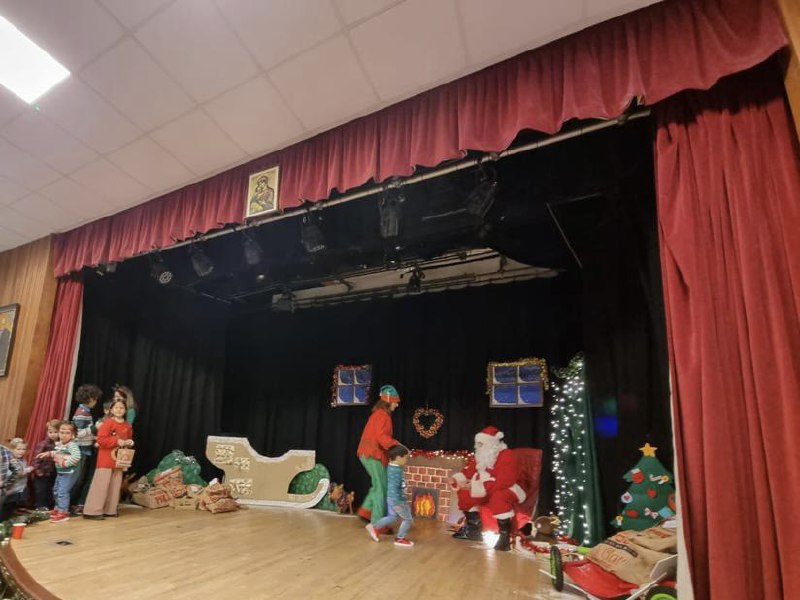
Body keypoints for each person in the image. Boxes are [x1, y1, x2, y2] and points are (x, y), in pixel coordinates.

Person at [450, 426, 526, 551]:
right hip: (486, 488)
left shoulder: (507, 455)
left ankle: (504, 537)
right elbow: (469, 472)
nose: (478, 447)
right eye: (477, 444)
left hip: (509, 488)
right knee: (465, 493)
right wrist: (457, 480)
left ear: (492, 444)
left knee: (498, 497)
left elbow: (505, 481)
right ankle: (474, 531)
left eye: (481, 444)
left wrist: (478, 486)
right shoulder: (481, 455)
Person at [356, 385, 401, 525]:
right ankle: (378, 523)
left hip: (369, 453)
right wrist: (396, 445)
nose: (397, 405)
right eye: (395, 402)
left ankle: (366, 512)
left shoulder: (379, 414)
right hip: (373, 454)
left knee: (379, 485)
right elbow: (380, 436)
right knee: (381, 487)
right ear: (389, 401)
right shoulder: (383, 415)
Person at [83, 398, 134, 520]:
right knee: (101, 484)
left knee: (115, 486)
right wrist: (116, 440)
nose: (119, 410)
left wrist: (129, 442)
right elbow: (101, 440)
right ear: (111, 410)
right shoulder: (107, 423)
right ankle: (92, 511)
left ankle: (110, 510)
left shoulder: (127, 425)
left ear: (125, 410)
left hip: (119, 459)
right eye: (116, 407)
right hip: (106, 459)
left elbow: (128, 439)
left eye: (121, 408)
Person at [366, 445, 414, 547]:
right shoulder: (397, 471)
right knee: (408, 519)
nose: (406, 460)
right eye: (406, 457)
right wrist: (403, 492)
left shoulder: (390, 467)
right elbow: (397, 486)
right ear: (398, 457)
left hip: (391, 498)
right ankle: (400, 538)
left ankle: (374, 527)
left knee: (392, 517)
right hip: (398, 500)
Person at [38, 422, 82, 523]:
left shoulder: (72, 445)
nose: (64, 435)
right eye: (62, 432)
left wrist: (64, 463)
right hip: (61, 472)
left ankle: (63, 512)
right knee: (56, 490)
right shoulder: (60, 444)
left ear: (73, 435)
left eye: (67, 433)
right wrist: (49, 453)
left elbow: (77, 457)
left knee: (63, 492)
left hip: (69, 472)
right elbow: (57, 452)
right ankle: (57, 508)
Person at [71, 383, 102, 511]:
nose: (96, 402)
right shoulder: (82, 413)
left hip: (85, 448)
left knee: (80, 478)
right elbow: (77, 434)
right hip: (80, 449)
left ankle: (71, 505)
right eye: (95, 399)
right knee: (77, 479)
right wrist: (95, 428)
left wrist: (94, 437)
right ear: (89, 398)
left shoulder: (85, 412)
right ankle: (67, 505)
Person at [31, 420, 60, 509]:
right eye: (50, 432)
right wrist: (38, 471)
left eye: (55, 432)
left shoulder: (61, 444)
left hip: (54, 471)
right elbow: (36, 458)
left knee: (50, 490)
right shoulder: (43, 444)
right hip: (42, 471)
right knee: (41, 490)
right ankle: (39, 507)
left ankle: (49, 507)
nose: (53, 434)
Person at [1, 438, 33, 519]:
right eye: (18, 449)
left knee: (11, 509)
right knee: (5, 509)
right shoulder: (11, 460)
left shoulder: (22, 460)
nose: (21, 451)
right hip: (9, 491)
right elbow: (17, 473)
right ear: (11, 449)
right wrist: (28, 469)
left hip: (18, 489)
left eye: (23, 449)